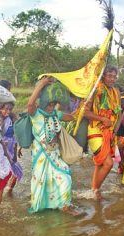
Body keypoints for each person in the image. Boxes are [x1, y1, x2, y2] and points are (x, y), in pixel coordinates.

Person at [27, 77, 78, 215]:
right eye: (49, 104)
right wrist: (41, 85)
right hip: (41, 156)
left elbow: (73, 117)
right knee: (43, 182)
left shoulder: (56, 114)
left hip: (55, 154)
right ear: (43, 103)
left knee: (65, 177)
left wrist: (84, 104)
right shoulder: (36, 114)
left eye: (54, 104)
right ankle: (48, 205)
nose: (51, 107)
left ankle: (64, 205)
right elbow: (30, 104)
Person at [84, 65, 121, 200]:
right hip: (95, 130)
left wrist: (116, 128)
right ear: (103, 76)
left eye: (114, 76)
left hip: (110, 132)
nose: (112, 79)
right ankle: (95, 190)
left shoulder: (116, 92)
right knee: (108, 163)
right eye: (109, 76)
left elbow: (119, 111)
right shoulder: (95, 90)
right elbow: (85, 112)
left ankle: (94, 190)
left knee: (100, 164)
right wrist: (101, 119)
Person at [0, 101, 23, 194]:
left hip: (11, 148)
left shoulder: (12, 119)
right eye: (5, 109)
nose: (8, 111)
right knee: (2, 173)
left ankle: (8, 191)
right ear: (0, 108)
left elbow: (15, 137)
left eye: (10, 109)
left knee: (16, 171)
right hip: (1, 149)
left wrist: (16, 153)